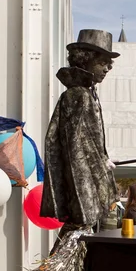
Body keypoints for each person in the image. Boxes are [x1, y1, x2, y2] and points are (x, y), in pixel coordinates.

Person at [41, 30, 120, 240]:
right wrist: (100, 166)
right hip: (82, 195)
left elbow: (85, 143)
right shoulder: (78, 96)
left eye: (109, 64)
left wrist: (102, 159)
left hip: (85, 190)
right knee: (74, 240)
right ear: (86, 60)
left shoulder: (84, 94)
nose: (107, 68)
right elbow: (73, 149)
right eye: (103, 62)